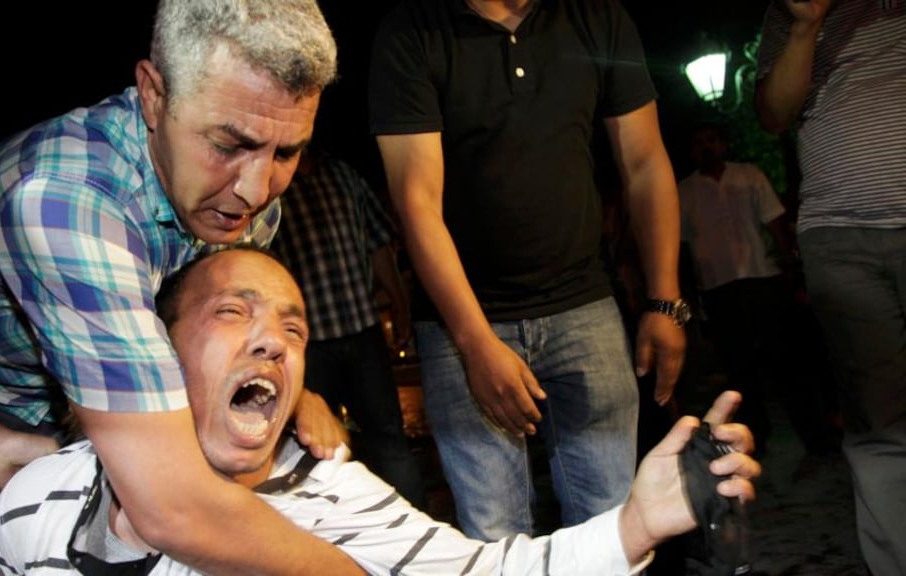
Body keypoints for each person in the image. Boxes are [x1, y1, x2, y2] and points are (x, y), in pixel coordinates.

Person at [0, 1, 363, 573]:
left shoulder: (236, 199)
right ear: (154, 96)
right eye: (228, 144)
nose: (256, 190)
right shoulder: (67, 201)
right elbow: (172, 509)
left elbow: (214, 333)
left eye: (286, 151)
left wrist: (285, 392)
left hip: (73, 417)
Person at [0, 246, 761, 576]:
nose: (273, 342)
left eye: (293, 327)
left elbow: (488, 570)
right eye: (233, 313)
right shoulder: (36, 499)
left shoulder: (334, 498)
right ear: (155, 347)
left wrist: (635, 523)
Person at [367, 0, 688, 540]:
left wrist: (664, 299)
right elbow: (416, 202)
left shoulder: (598, 16)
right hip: (459, 324)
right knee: (494, 539)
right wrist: (474, 343)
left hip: (586, 306)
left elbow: (644, 162)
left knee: (611, 528)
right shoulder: (411, 30)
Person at [755, 1, 905, 574]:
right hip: (839, 235)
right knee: (879, 426)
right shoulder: (791, 7)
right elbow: (773, 113)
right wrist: (806, 24)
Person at [270, 144, 428, 510]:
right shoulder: (275, 187)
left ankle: (413, 523)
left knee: (389, 440)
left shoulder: (343, 175)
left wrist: (400, 304)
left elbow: (378, 245)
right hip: (308, 346)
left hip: (362, 333)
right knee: (317, 447)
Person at [677, 121, 840, 457]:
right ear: (692, 150)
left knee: (787, 360)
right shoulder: (684, 191)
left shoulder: (748, 175)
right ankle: (754, 440)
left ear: (722, 143)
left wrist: (791, 272)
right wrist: (691, 298)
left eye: (712, 139)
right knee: (739, 368)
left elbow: (775, 223)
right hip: (719, 286)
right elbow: (682, 248)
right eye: (699, 142)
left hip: (762, 277)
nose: (707, 147)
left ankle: (816, 435)